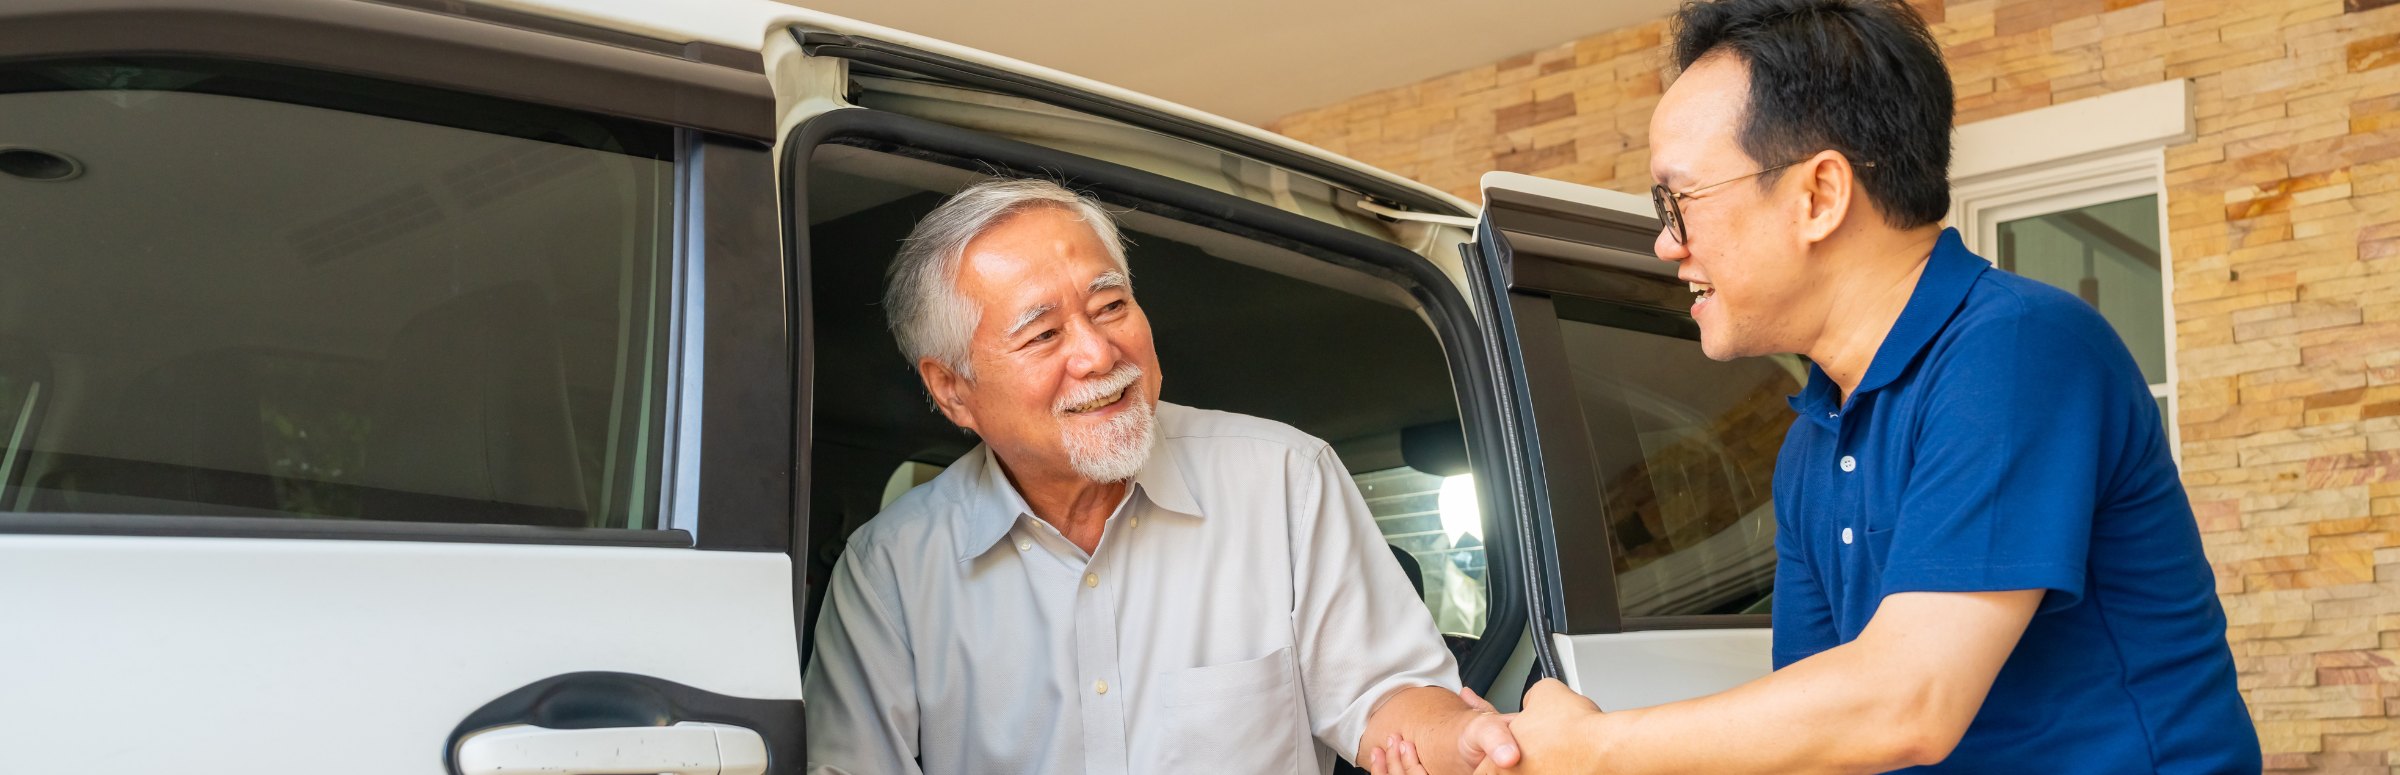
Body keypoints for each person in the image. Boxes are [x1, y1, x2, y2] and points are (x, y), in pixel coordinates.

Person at [1370, 0, 2260, 773]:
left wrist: (1598, 748)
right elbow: (1821, 735)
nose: (1666, 244)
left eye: (1679, 202)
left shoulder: (2016, 350)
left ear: (1820, 195)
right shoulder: (1814, 438)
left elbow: (1907, 702)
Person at [803, 177, 1520, 775]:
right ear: (954, 389)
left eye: (1111, 306)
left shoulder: (1284, 479)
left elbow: (1386, 696)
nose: (1096, 351)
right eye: (1044, 333)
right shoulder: (889, 570)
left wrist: (1460, 739)